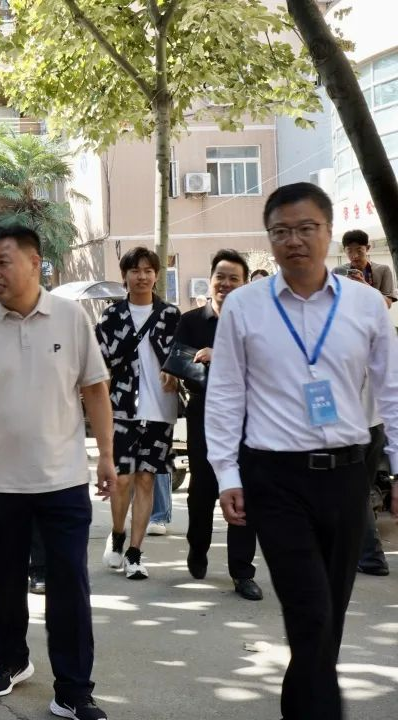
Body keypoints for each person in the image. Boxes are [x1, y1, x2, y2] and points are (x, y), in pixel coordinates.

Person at [207, 182, 398, 720]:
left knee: (326, 621)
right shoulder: (244, 306)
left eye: (306, 228)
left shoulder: (366, 304)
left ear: (328, 233)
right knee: (310, 611)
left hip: (348, 475)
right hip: (275, 478)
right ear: (269, 239)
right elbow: (225, 393)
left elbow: (392, 390)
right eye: (282, 231)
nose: (294, 240)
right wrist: (227, 473)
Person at [0, 223, 114, 720]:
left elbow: (95, 388)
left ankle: (74, 689)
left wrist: (106, 454)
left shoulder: (70, 317)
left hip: (63, 479)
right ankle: (11, 661)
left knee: (69, 586)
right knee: (4, 582)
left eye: (3, 262)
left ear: (35, 263)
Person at [172, 249, 262, 601]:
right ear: (210, 282)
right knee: (203, 490)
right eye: (220, 277)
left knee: (245, 491)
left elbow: (263, 367)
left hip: (248, 417)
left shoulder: (255, 322)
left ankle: (242, 571)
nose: (225, 284)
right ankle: (198, 546)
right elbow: (181, 366)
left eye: (233, 279)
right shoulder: (191, 321)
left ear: (244, 284)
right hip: (204, 415)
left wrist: (218, 356)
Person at [95, 247, 180, 580]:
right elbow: (98, 363)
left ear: (156, 275)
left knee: (146, 479)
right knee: (122, 479)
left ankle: (134, 552)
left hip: (161, 408)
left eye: (148, 270)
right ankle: (118, 533)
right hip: (121, 407)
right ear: (125, 276)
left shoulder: (171, 314)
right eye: (135, 270)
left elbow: (181, 356)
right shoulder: (111, 316)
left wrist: (175, 372)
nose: (142, 276)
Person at [333, 229, 397, 306]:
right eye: (350, 251)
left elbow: (388, 304)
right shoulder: (337, 272)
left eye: (359, 251)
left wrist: (364, 284)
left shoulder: (383, 270)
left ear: (367, 248)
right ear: (344, 250)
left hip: (374, 313)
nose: (355, 256)